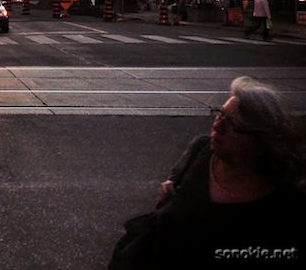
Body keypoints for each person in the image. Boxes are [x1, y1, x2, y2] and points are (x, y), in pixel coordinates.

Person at [110, 76, 306, 269]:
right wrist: (169, 189)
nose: (217, 125)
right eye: (220, 114)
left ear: (259, 140)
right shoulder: (202, 149)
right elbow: (174, 184)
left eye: (231, 125)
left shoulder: (285, 202)